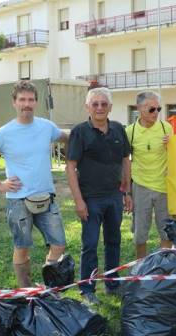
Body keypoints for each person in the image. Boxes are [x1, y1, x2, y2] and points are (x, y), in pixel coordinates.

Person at [0, 80, 68, 288]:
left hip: (47, 198)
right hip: (18, 201)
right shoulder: (3, 133)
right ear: (14, 103)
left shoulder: (46, 127)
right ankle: (25, 291)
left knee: (59, 244)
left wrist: (89, 131)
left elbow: (67, 137)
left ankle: (49, 287)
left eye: (31, 100)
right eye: (22, 99)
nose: (27, 104)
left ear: (36, 103)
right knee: (22, 247)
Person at [66, 87, 131, 306]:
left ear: (110, 107)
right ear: (87, 107)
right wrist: (78, 200)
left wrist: (127, 190)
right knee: (90, 244)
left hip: (114, 196)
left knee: (114, 241)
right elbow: (70, 167)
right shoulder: (79, 132)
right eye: (95, 104)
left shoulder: (118, 129)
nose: (100, 108)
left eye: (104, 104)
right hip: (90, 199)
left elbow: (125, 159)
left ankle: (113, 283)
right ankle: (87, 288)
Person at [126, 91, 173, 258]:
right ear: (139, 108)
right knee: (140, 233)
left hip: (164, 187)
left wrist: (172, 145)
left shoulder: (166, 127)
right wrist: (127, 192)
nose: (156, 113)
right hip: (140, 187)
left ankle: (164, 266)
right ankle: (141, 268)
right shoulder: (130, 132)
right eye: (152, 109)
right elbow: (126, 162)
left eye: (158, 109)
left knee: (167, 231)